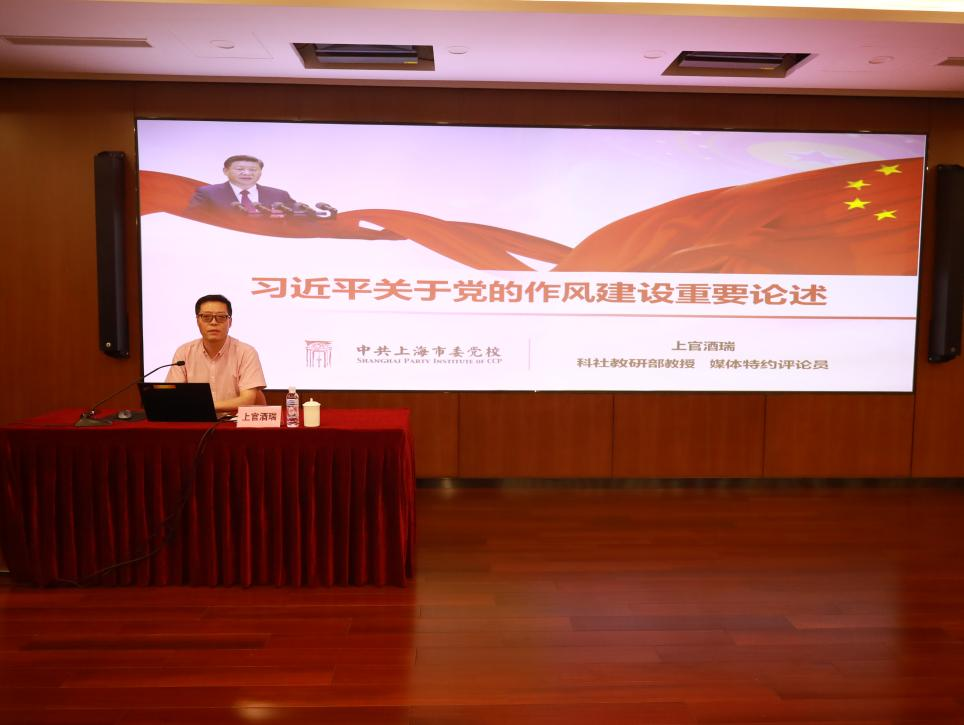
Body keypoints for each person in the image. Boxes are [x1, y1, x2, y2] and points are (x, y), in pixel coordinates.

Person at [166, 294, 267, 413]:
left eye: (221, 317)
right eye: (206, 317)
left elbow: (247, 400)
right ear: (197, 321)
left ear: (230, 322)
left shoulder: (246, 352)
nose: (214, 322)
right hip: (196, 420)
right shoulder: (184, 352)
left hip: (233, 421)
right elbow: (172, 396)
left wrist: (204, 406)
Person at [187, 155, 296, 213]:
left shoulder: (279, 195)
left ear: (260, 172)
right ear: (225, 171)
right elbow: (194, 220)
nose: (246, 173)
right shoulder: (208, 193)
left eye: (253, 170)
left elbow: (298, 217)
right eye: (240, 169)